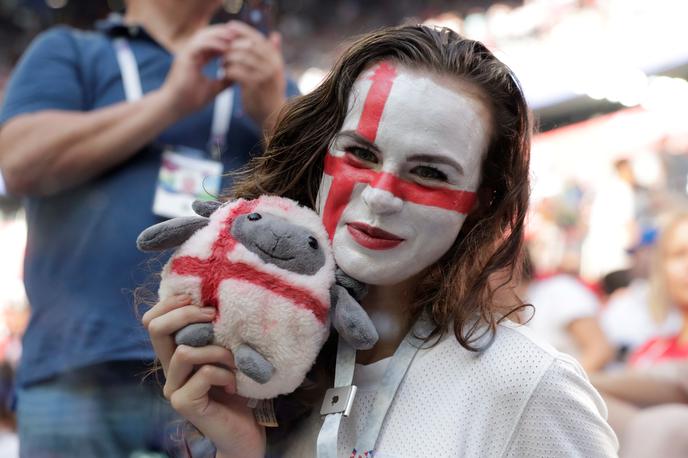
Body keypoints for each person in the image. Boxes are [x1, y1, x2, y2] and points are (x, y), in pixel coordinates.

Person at [143, 25, 618, 457]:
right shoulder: (267, 371)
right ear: (321, 156)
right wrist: (238, 448)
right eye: (361, 153)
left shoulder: (526, 385)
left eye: (429, 172)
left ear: (482, 200)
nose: (381, 195)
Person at [0, 0, 295, 455]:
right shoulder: (71, 50)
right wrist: (171, 102)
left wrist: (274, 111)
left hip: (223, 373)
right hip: (78, 368)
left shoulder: (259, 73)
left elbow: (315, 213)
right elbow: (20, 162)